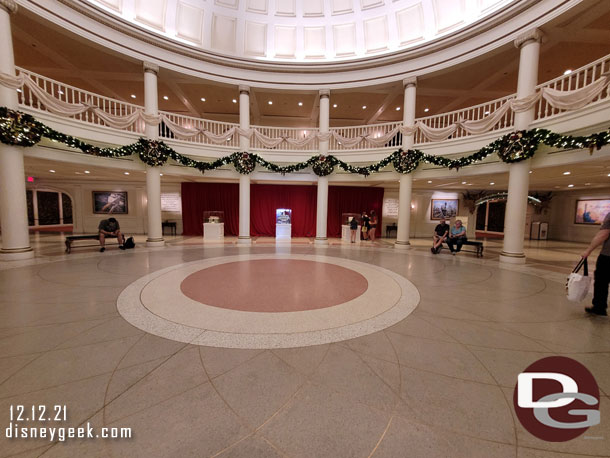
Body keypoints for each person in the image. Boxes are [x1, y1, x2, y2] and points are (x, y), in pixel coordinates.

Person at [581, 211, 610, 316]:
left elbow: (603, 234)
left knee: (601, 281)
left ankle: (599, 307)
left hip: (608, 256)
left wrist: (588, 250)